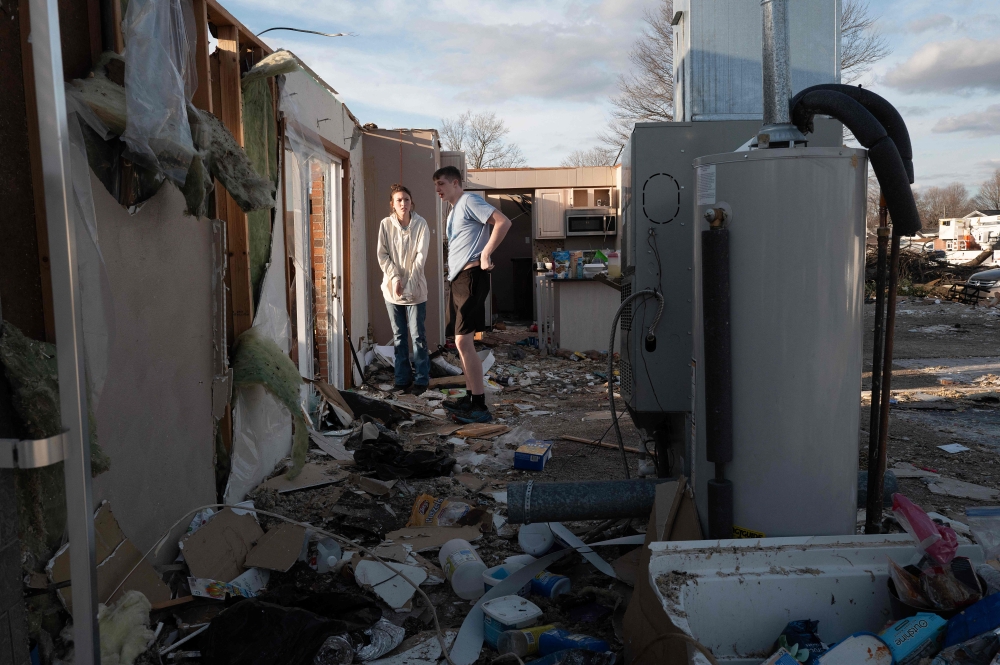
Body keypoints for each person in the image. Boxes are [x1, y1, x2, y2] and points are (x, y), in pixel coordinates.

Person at [433, 165, 511, 423]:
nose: (438, 189)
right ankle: (470, 396)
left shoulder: (468, 200)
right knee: (459, 342)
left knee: (464, 342)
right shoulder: (455, 210)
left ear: (456, 183)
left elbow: (503, 221)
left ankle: (479, 405)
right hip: (459, 279)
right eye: (436, 185)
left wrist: (487, 253)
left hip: (471, 276)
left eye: (442, 183)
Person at [377, 184, 430, 394]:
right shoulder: (385, 225)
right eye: (399, 200)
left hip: (416, 291)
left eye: (406, 199)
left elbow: (420, 258)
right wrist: (395, 278)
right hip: (392, 292)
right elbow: (383, 255)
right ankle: (401, 380)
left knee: (418, 337)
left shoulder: (421, 224)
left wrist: (408, 285)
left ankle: (422, 380)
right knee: (399, 337)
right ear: (392, 204)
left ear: (411, 202)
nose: (403, 203)